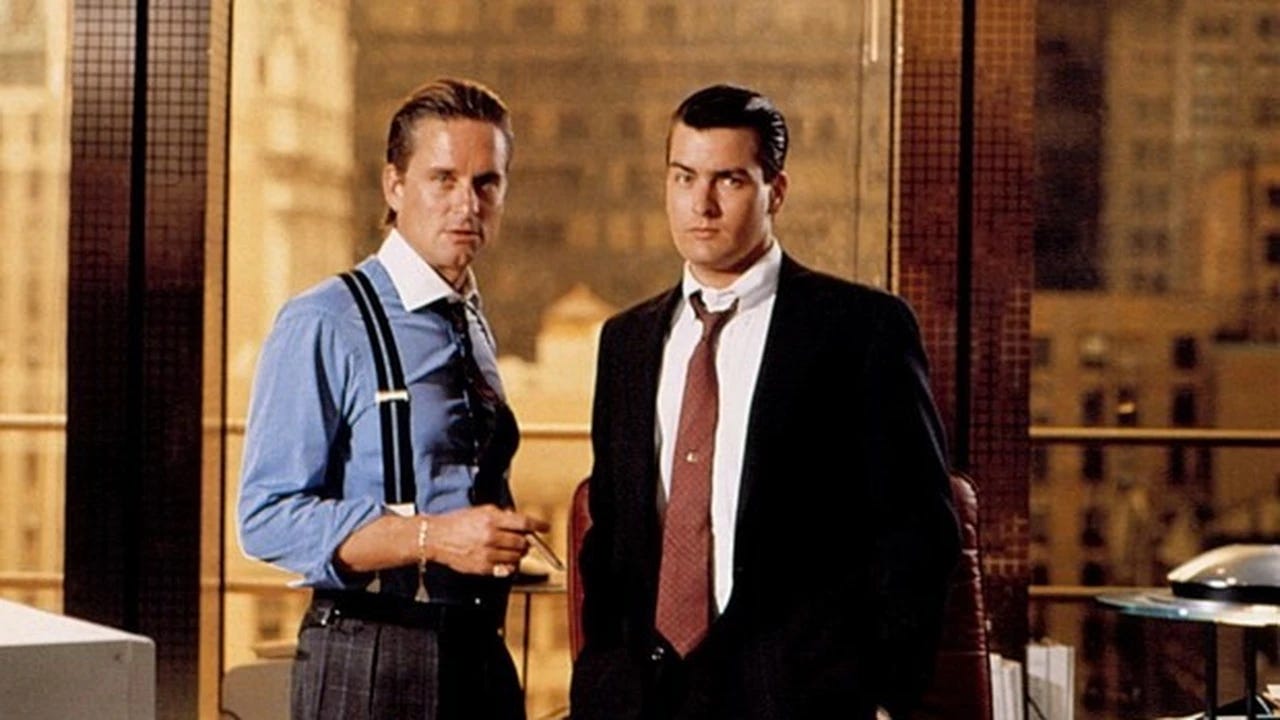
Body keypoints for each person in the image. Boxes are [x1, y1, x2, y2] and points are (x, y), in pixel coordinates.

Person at [569, 84, 962, 720]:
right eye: (684, 177)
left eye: (728, 180)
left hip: (802, 697)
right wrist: (603, 682)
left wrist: (881, 694)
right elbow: (611, 533)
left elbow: (919, 532)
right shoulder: (626, 341)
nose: (701, 204)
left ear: (775, 191)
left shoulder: (860, 329)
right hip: (646, 699)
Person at [238, 78, 546, 720]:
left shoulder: (469, 319)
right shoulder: (324, 320)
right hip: (374, 653)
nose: (467, 205)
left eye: (486, 183)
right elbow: (266, 516)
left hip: (479, 648)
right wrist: (433, 538)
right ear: (394, 186)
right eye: (443, 180)